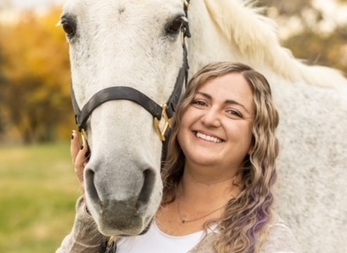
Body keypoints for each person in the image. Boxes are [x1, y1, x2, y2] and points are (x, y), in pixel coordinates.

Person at [57, 62, 301, 253]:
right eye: (200, 102)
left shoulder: (269, 243)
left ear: (255, 139)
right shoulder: (139, 205)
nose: (209, 119)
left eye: (233, 112)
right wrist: (95, 203)